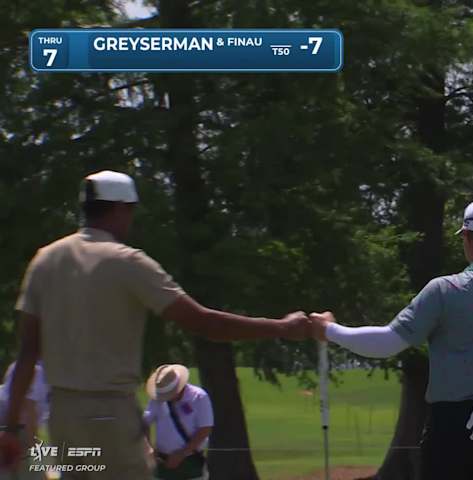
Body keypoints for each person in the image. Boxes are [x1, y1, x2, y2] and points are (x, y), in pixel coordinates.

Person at [0, 170, 312, 479]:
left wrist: (11, 427)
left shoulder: (45, 260)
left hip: (63, 417)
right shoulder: (127, 262)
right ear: (122, 208)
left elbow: (27, 352)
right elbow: (204, 322)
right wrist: (280, 327)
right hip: (110, 415)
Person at [309, 197, 473, 480]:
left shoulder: (444, 290)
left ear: (466, 237)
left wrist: (330, 330)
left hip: (453, 430)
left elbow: (388, 342)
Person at [144, 365, 213, 480]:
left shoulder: (199, 397)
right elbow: (145, 423)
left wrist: (182, 453)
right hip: (162, 462)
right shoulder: (157, 398)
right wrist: (149, 448)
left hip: (190, 461)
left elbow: (205, 429)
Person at [0, 361, 49, 480]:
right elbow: (28, 412)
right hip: (17, 428)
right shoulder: (36, 372)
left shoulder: (20, 364)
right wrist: (38, 457)